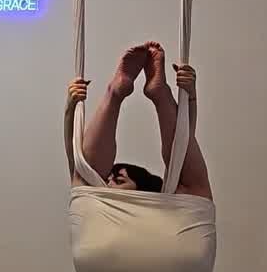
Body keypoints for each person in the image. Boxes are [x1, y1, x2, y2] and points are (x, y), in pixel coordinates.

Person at [64, 41, 213, 201]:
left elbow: (183, 149)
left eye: (119, 181)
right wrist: (71, 106)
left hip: (157, 207)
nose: (108, 184)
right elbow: (75, 157)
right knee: (86, 175)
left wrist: (70, 107)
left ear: (143, 188)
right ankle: (142, 93)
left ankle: (117, 94)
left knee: (84, 181)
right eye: (107, 180)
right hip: (102, 206)